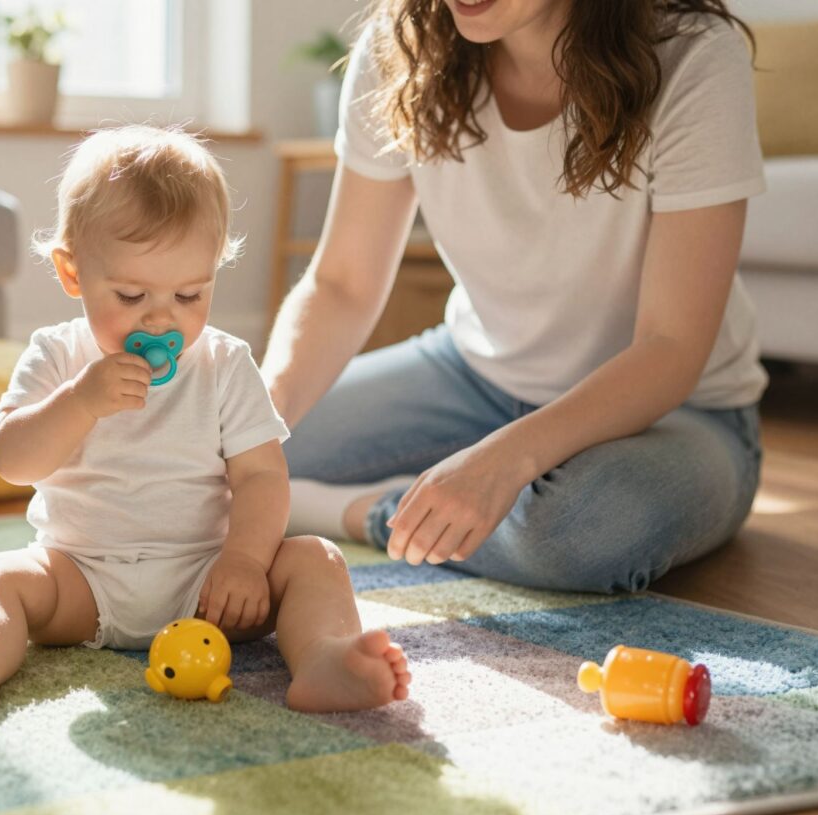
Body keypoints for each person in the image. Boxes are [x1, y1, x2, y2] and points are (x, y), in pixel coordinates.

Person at [0, 125, 411, 716]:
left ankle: (326, 659)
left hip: (210, 584)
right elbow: (13, 461)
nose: (161, 321)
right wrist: (78, 402)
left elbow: (262, 477)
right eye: (131, 296)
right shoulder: (57, 353)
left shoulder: (223, 362)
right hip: (82, 580)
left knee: (316, 558)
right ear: (73, 274)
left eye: (190, 295)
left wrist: (244, 561)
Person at [265, 0, 766, 594]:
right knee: (219, 465)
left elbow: (671, 346)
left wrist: (507, 459)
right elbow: (342, 284)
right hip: (471, 375)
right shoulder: (398, 47)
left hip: (679, 415)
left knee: (575, 530)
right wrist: (257, 425)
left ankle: (371, 512)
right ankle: (440, 500)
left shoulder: (694, 55)